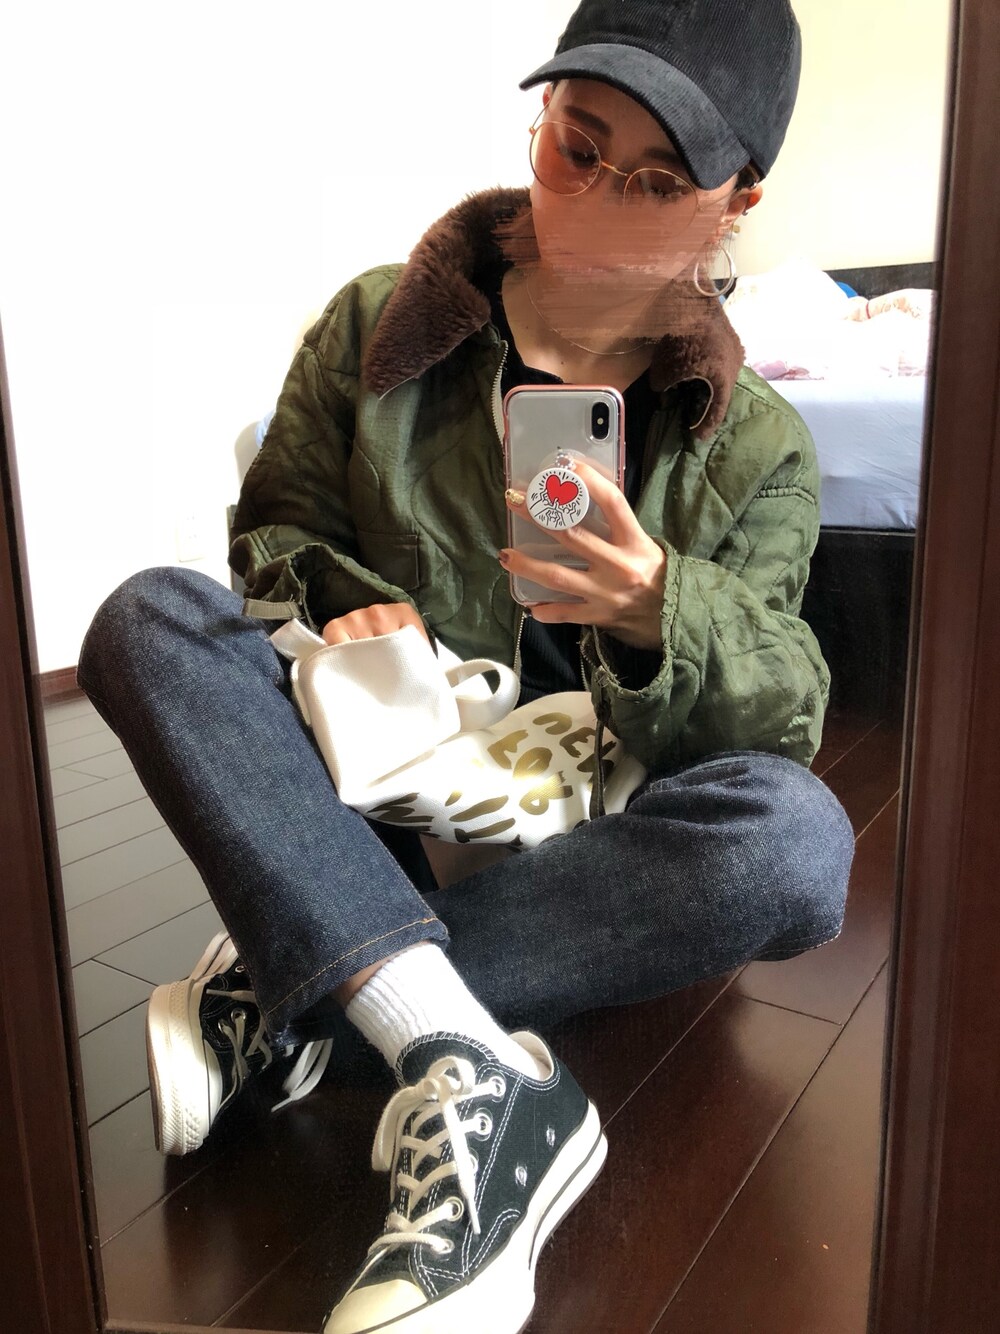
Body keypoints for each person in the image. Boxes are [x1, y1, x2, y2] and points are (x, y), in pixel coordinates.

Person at [77, 2, 854, 1331]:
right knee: (149, 617)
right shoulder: (379, 322)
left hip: (585, 846)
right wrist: (348, 601)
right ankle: (477, 1067)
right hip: (381, 794)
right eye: (577, 146)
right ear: (540, 122)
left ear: (738, 200)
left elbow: (782, 707)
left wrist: (659, 606)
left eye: (657, 181)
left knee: (796, 843)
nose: (596, 202)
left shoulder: (759, 441)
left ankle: (306, 982)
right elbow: (272, 533)